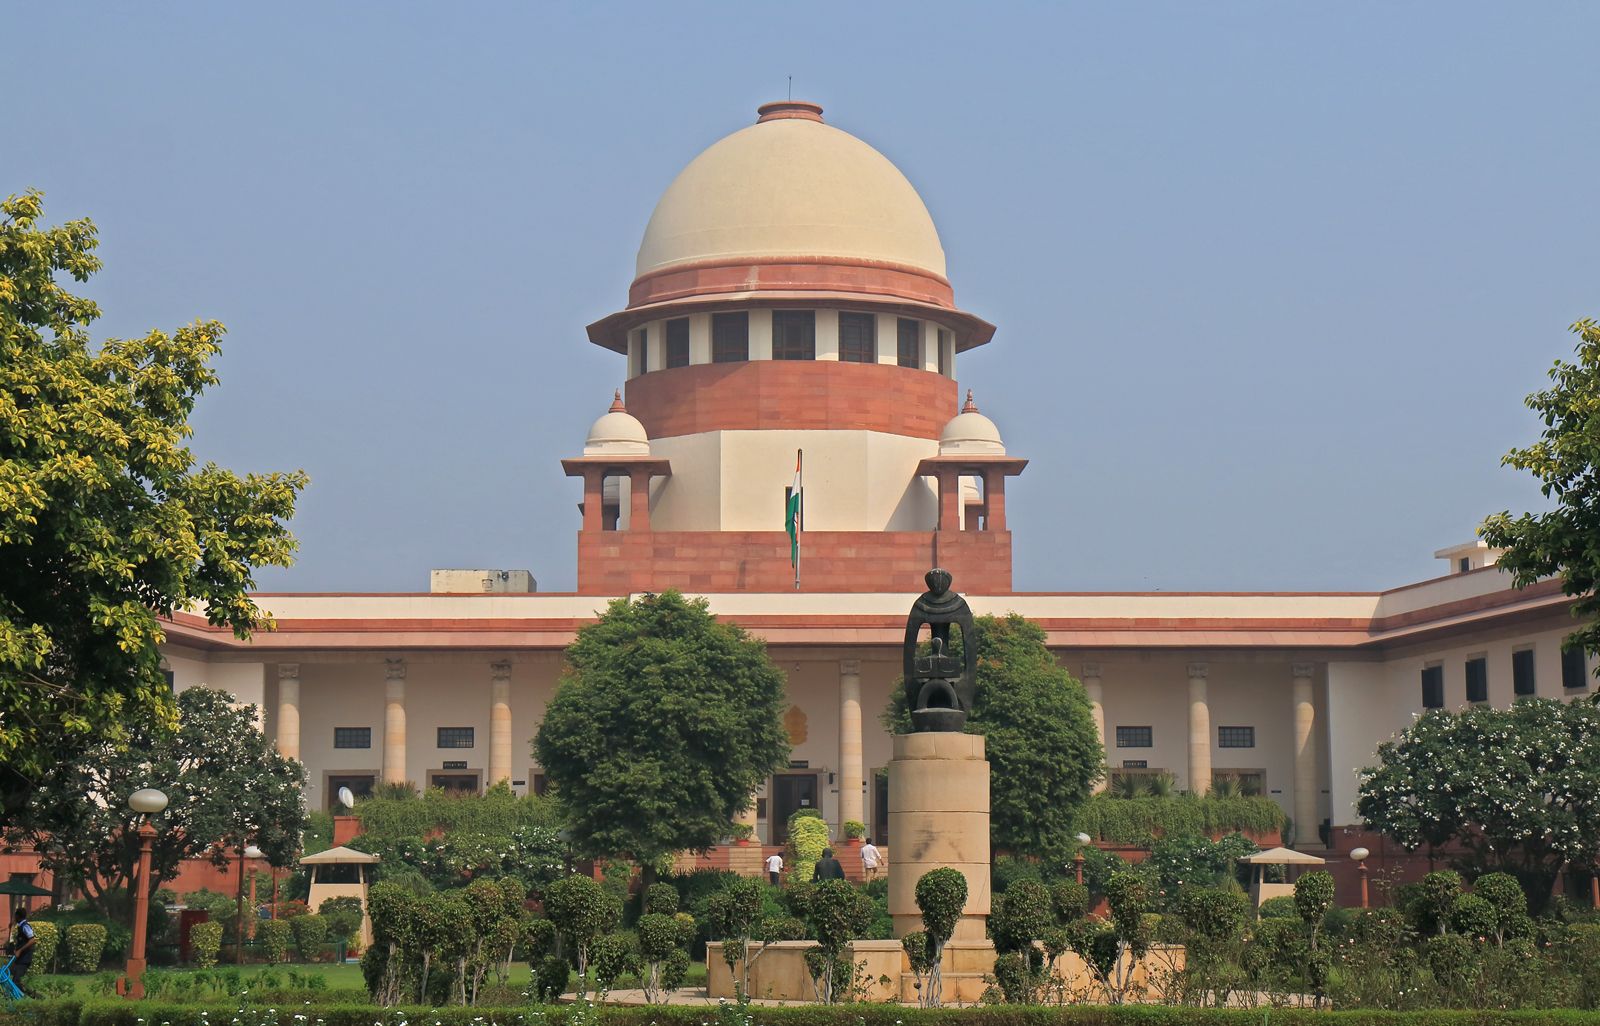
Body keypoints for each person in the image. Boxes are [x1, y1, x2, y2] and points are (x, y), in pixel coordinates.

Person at [8, 906, 35, 996]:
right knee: (8, 973)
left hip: (24, 960)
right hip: (20, 959)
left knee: (16, 982)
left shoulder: (25, 926)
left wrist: (20, 950)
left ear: (18, 916)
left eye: (15, 916)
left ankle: (34, 996)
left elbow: (32, 940)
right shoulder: (20, 926)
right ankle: (12, 996)